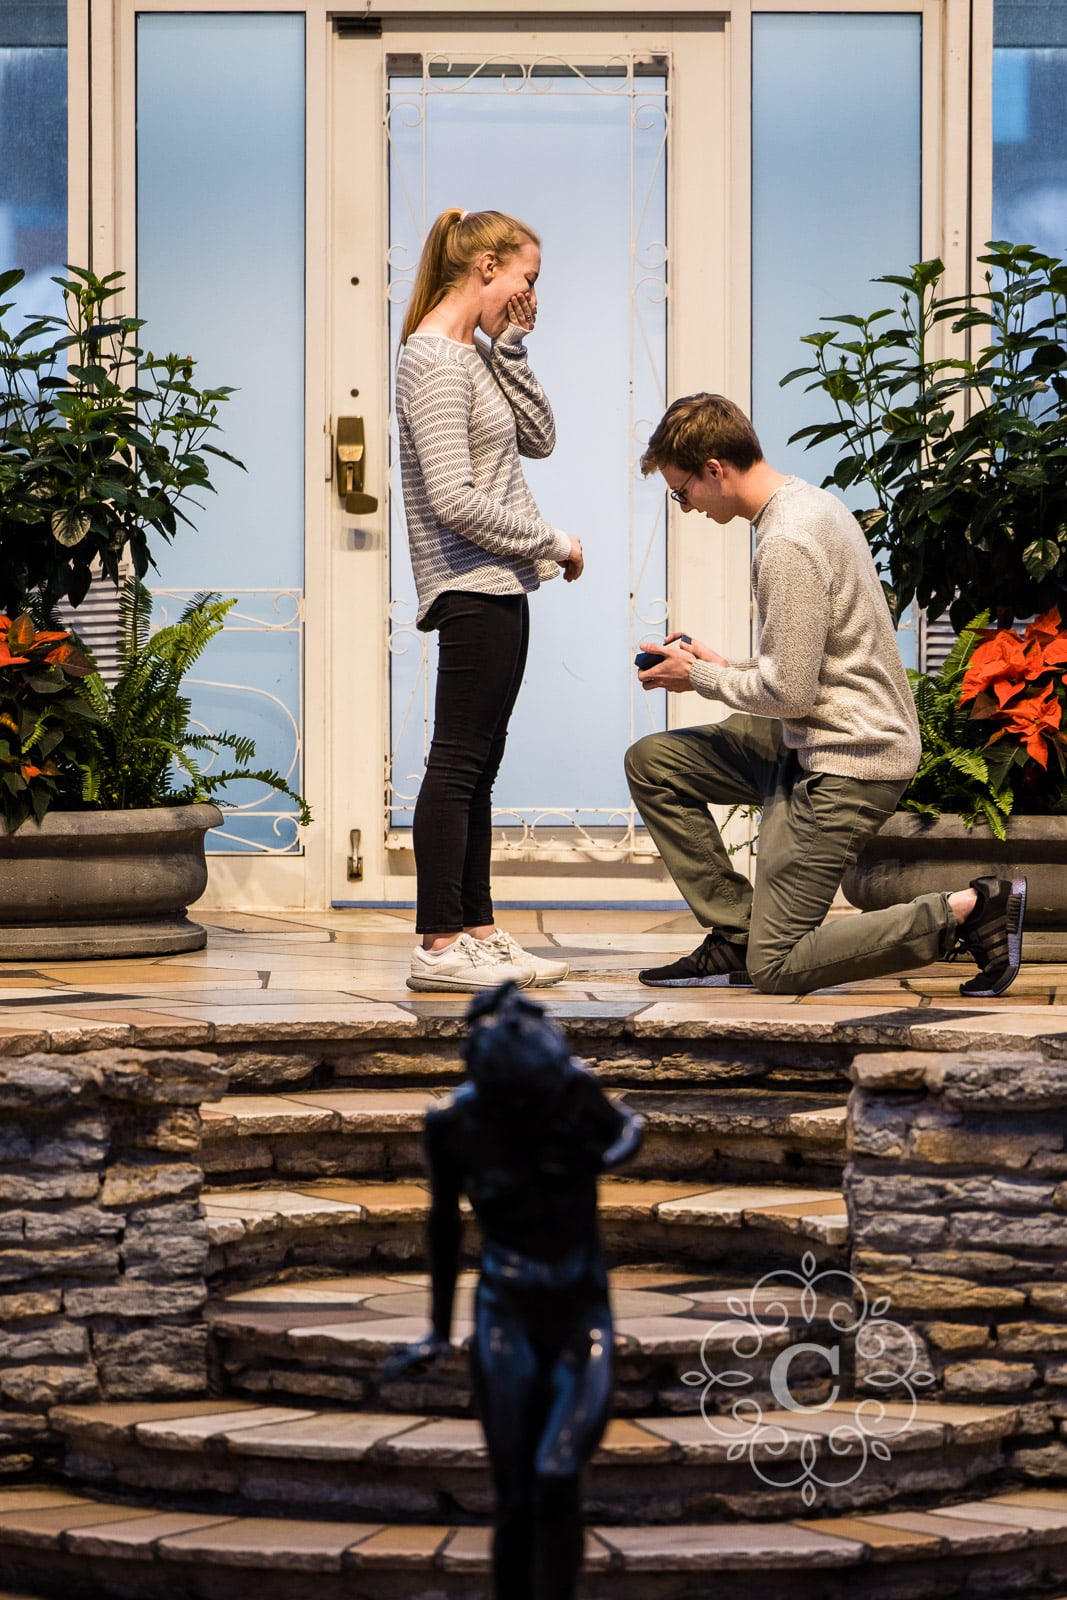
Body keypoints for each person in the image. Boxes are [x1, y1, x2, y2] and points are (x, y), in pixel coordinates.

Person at [625, 392, 1027, 999]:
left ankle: (968, 911)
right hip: (813, 732)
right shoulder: (812, 503)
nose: (685, 507)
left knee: (779, 966)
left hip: (849, 757)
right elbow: (812, 666)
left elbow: (789, 690)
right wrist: (723, 664)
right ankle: (738, 931)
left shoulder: (786, 541)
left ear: (715, 469)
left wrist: (697, 678)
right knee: (655, 765)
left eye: (681, 491)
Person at [383, 981, 644, 1600]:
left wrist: (600, 1161)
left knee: (557, 1473)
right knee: (516, 1498)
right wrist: (438, 1332)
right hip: (506, 1308)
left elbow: (630, 1127)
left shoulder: (570, 1089)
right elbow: (443, 1228)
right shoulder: (453, 1124)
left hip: (580, 1307)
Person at [396, 208, 583, 993]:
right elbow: (453, 500)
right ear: (486, 268)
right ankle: (438, 943)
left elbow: (538, 437)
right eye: (526, 278)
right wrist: (553, 540)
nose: (530, 293)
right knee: (458, 761)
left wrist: (510, 346)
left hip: (497, 581)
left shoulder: (471, 354)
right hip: (470, 583)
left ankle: (476, 928)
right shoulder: (433, 361)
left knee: (481, 764)